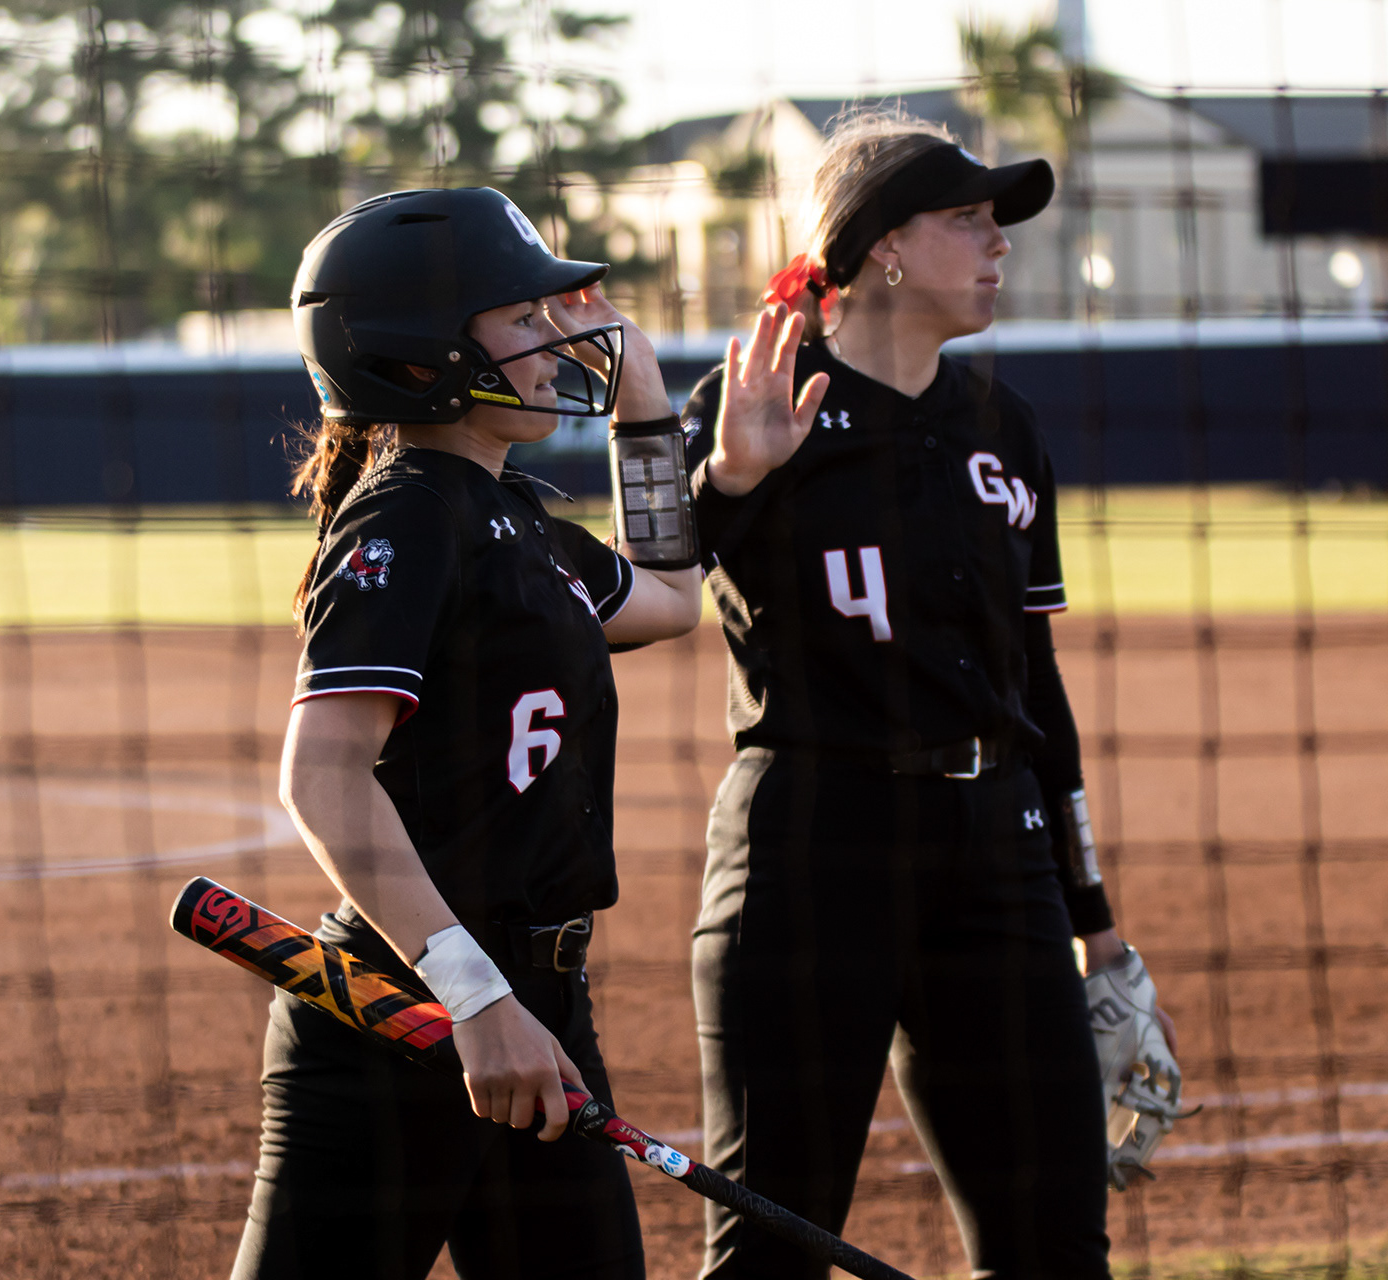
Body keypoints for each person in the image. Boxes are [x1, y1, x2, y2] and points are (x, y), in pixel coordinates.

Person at [681, 110, 1184, 1279]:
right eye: (969, 218)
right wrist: (729, 479)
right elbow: (638, 597)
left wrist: (1098, 926)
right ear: (884, 248)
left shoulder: (1003, 426)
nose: (999, 242)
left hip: (998, 856)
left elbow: (1034, 685)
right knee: (769, 1253)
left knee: (1056, 1247)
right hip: (813, 852)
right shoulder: (753, 402)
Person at [232, 186, 704, 1280]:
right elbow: (323, 775)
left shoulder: (516, 517)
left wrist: (646, 414)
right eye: (523, 316)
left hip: (535, 1003)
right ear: (423, 352)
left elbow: (676, 598)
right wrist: (475, 993)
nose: (554, 341)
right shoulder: (407, 513)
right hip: (406, 1017)